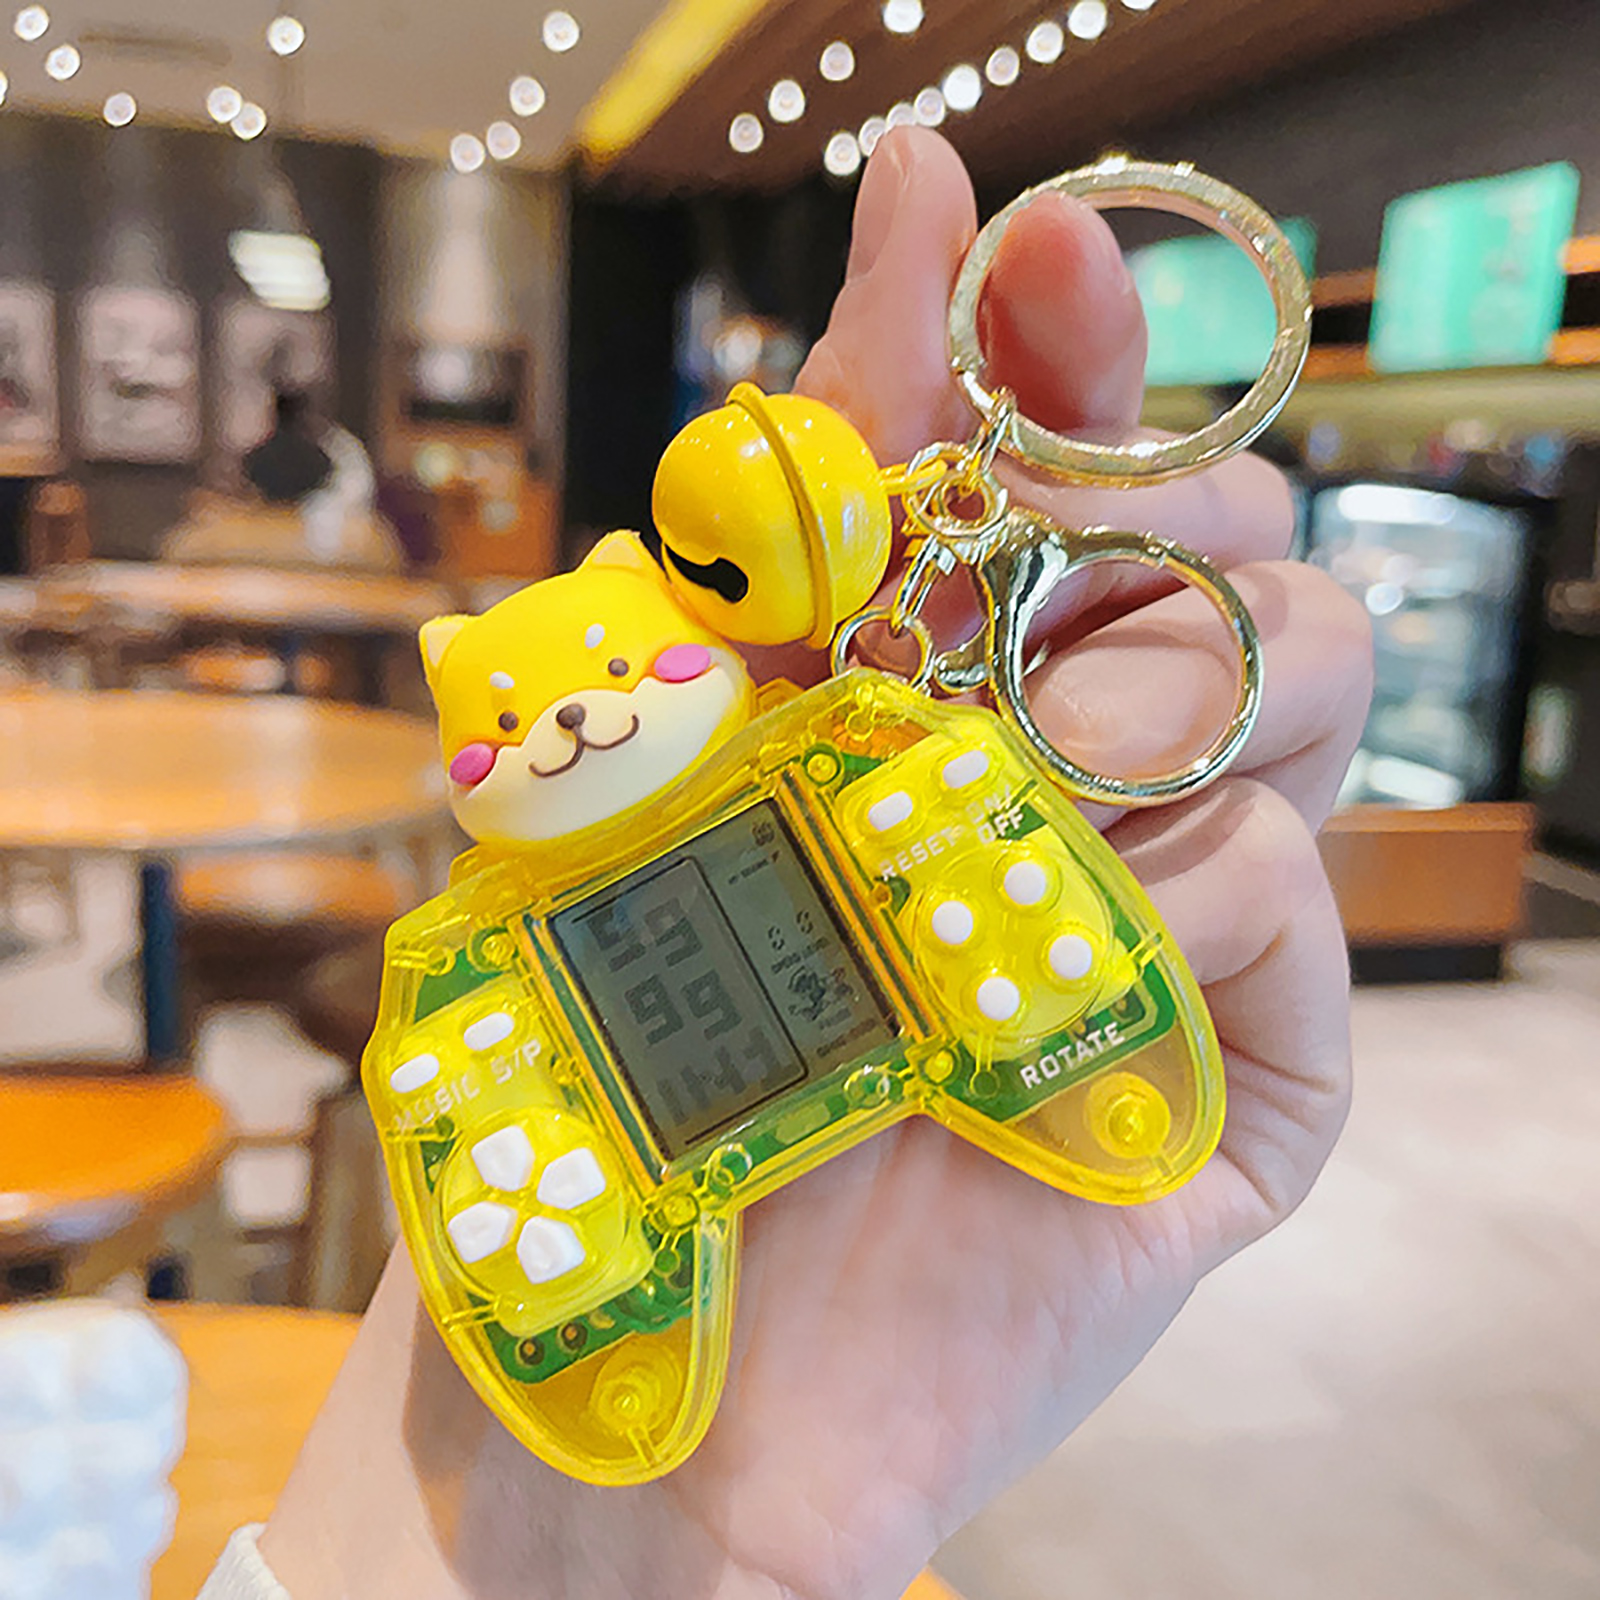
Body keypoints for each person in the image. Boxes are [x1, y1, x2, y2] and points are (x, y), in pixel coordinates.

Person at [205, 128, 1370, 1600]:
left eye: (605, 680)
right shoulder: (499, 951)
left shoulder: (851, 744)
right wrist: (544, 1547)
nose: (572, 728)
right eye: (510, 728)